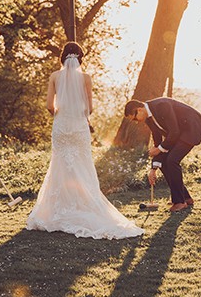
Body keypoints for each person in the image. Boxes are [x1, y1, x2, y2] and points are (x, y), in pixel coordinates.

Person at [26, 42, 143, 239]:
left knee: (60, 165)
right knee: (82, 165)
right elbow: (90, 108)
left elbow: (48, 105)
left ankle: (58, 209)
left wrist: (58, 115)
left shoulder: (55, 76)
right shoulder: (86, 78)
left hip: (61, 127)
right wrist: (79, 114)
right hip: (79, 127)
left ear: (63, 57)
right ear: (80, 58)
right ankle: (83, 204)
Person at [125, 97, 201, 213]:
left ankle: (179, 202)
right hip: (179, 133)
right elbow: (158, 141)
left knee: (172, 160)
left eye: (134, 118)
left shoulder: (162, 105)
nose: (136, 121)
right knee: (164, 163)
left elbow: (174, 132)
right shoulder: (148, 119)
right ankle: (185, 197)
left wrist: (159, 149)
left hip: (191, 128)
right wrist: (154, 168)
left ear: (139, 110)